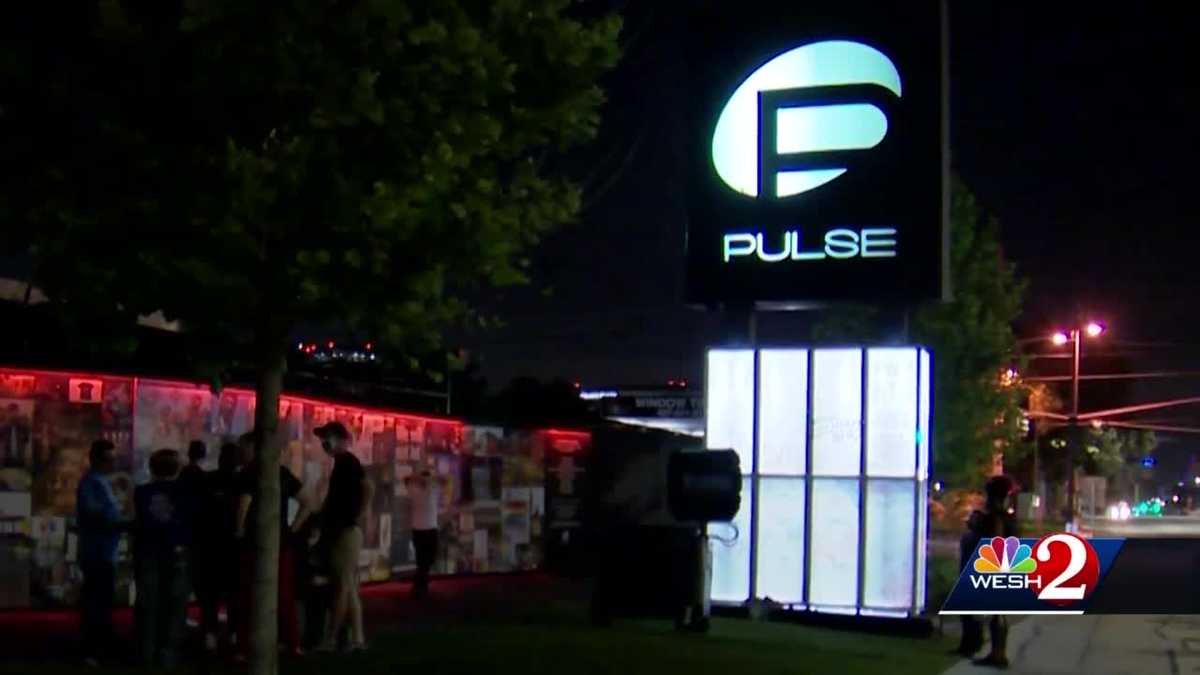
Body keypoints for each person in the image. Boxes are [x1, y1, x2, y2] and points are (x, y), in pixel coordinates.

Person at [234, 430, 312, 659]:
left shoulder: (249, 473)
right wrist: (293, 528)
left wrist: (239, 529)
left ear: (254, 449)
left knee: (248, 593)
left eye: (244, 448)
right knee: (284, 594)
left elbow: (244, 502)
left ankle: (244, 646)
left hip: (253, 541)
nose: (241, 453)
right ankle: (291, 643)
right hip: (281, 541)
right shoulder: (283, 473)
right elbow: (308, 502)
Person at [133, 449, 195, 669]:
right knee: (175, 607)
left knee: (148, 605)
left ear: (152, 468)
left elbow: (138, 520)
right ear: (177, 469)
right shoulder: (185, 492)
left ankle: (147, 654)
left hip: (148, 552)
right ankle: (168, 655)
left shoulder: (141, 492)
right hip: (178, 553)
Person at [314, 422, 371, 653]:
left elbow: (368, 487)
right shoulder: (342, 463)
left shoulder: (347, 462)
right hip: (345, 529)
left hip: (346, 531)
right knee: (348, 586)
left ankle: (332, 638)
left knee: (342, 587)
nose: (324, 444)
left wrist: (356, 516)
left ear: (340, 439)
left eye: (327, 438)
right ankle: (357, 638)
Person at [954, 475, 1018, 668]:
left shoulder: (996, 516)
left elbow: (995, 540)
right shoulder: (1004, 515)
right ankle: (994, 652)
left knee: (995, 612)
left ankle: (997, 654)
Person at [76, 439, 125, 667]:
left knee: (103, 603)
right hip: (96, 552)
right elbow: (95, 514)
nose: (112, 463)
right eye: (108, 459)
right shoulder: (91, 483)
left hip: (105, 551)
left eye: (114, 459)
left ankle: (101, 646)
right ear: (95, 459)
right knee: (96, 604)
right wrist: (121, 522)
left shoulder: (103, 482)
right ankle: (92, 649)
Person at [193, 442, 241, 653]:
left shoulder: (207, 480)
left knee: (210, 594)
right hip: (232, 545)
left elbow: (198, 512)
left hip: (209, 545)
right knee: (233, 593)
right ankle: (231, 633)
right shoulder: (241, 482)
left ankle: (210, 633)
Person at [405, 467, 439, 599]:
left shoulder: (434, 489)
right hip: (419, 529)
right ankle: (421, 586)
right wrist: (420, 478)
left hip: (430, 528)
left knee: (429, 559)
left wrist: (429, 479)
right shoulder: (414, 490)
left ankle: (419, 584)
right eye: (424, 479)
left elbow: (446, 479)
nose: (426, 481)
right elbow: (406, 479)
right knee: (422, 560)